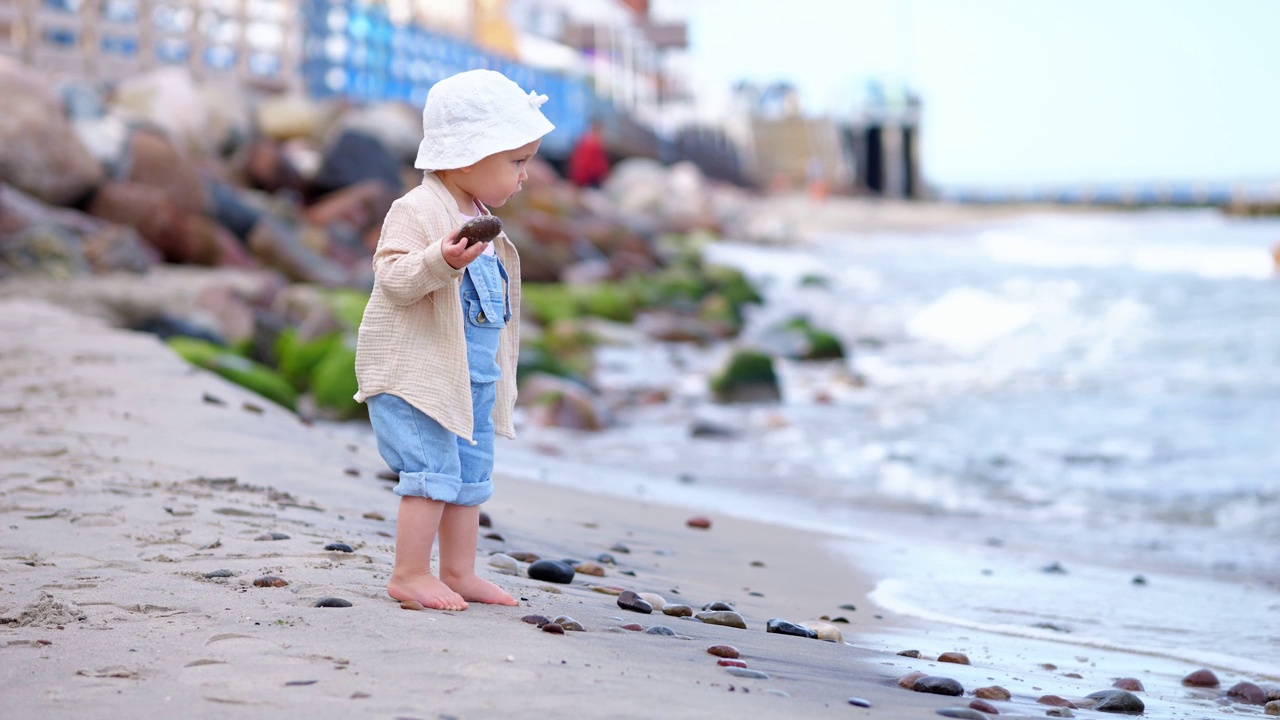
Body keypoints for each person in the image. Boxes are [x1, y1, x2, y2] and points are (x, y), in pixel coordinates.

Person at [353, 69, 554, 610]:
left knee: (470, 477)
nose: (525, 176)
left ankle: (460, 572)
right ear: (468, 157)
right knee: (431, 474)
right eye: (517, 162)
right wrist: (439, 260)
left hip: (474, 377)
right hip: (421, 375)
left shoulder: (482, 217)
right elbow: (393, 279)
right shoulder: (417, 211)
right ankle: (409, 573)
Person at [568, 120, 610, 188]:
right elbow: (593, 167)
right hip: (587, 181)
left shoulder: (585, 141)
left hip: (582, 180)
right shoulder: (592, 145)